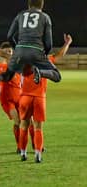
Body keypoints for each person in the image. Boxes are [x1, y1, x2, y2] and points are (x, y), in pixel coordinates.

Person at [0, 0, 61, 88]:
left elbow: (10, 36)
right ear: (42, 5)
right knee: (57, 75)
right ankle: (40, 72)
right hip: (36, 50)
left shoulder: (20, 15)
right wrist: (44, 55)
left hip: (20, 49)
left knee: (8, 75)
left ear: (29, 5)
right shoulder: (45, 17)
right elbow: (49, 43)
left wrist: (17, 49)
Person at [19, 34, 72, 163]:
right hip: (39, 97)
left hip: (25, 96)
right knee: (38, 127)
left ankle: (23, 153)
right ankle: (38, 154)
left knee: (24, 125)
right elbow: (59, 55)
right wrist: (67, 43)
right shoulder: (46, 60)